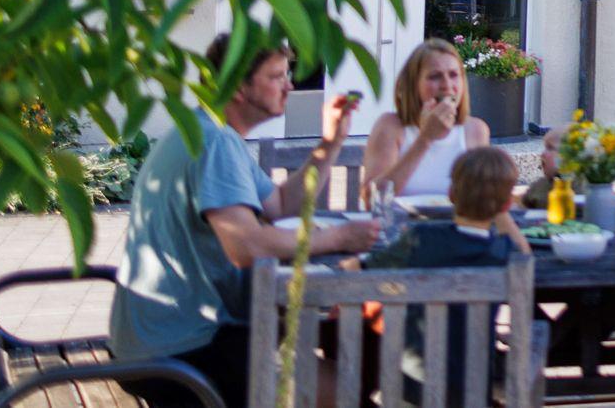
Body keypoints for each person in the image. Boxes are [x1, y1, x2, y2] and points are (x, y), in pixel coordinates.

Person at [109, 34, 377, 408]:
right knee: (347, 394)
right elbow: (246, 245)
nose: (290, 85)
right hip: (180, 351)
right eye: (277, 76)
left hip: (159, 339)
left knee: (339, 365)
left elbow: (280, 205)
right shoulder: (215, 142)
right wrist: (338, 238)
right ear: (237, 87)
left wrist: (330, 142)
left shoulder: (212, 132)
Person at [366, 146, 523, 401]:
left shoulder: (419, 238)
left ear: (450, 194)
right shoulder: (501, 252)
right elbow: (524, 254)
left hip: (410, 388)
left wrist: (349, 264)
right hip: (471, 391)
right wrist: (501, 212)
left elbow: (369, 269)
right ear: (506, 204)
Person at [363, 39, 491, 203]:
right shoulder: (390, 126)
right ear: (413, 84)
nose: (447, 85)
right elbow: (372, 199)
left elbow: (482, 201)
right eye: (435, 76)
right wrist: (426, 138)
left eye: (453, 75)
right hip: (399, 219)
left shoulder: (475, 130)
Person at [521, 124, 582, 209]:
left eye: (550, 148)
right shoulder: (539, 186)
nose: (543, 154)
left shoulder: (586, 189)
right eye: (545, 148)